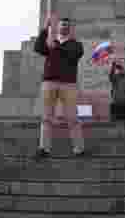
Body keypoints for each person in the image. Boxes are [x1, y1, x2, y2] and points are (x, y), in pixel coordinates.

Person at [34, 14, 86, 159]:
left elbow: (74, 55)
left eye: (67, 25)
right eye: (62, 24)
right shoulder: (50, 40)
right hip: (49, 82)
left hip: (68, 84)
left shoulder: (76, 44)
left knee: (73, 118)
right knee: (46, 117)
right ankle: (44, 148)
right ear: (57, 26)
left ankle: (79, 149)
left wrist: (55, 46)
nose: (64, 26)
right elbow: (38, 48)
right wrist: (45, 28)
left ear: (70, 29)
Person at [108, 58, 125, 125]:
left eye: (121, 70)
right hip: (118, 101)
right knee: (118, 120)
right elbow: (111, 76)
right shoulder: (116, 77)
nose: (121, 71)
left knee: (124, 120)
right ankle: (121, 128)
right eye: (120, 70)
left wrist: (116, 67)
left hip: (124, 102)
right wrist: (113, 67)